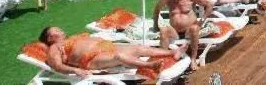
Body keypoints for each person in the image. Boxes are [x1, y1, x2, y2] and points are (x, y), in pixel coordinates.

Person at [37, 26, 180, 79]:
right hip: (91, 59)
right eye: (55, 30)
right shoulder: (54, 48)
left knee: (137, 48)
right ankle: (151, 66)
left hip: (105, 47)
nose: (60, 29)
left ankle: (172, 53)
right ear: (50, 38)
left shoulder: (70, 39)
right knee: (119, 57)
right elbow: (57, 66)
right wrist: (76, 70)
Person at [153, 0, 215, 70]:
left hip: (189, 31)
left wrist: (202, 21)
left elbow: (210, 4)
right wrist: (155, 24)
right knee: (164, 31)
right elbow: (156, 9)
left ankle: (193, 59)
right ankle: (163, 60)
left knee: (194, 28)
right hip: (174, 31)